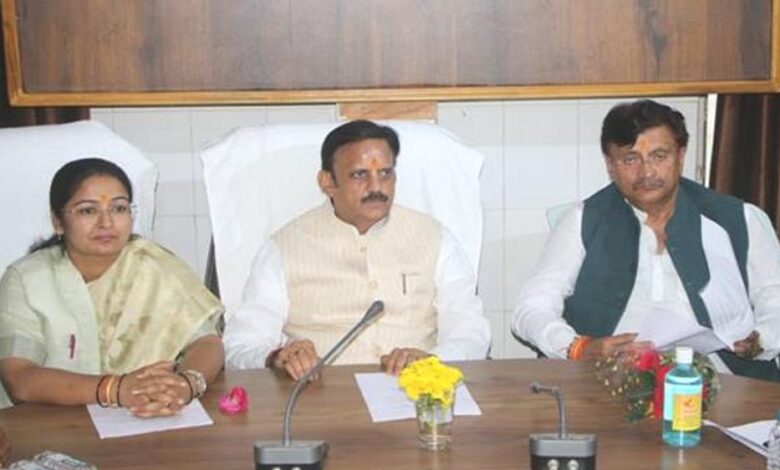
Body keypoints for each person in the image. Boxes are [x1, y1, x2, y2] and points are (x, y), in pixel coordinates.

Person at [512, 99, 780, 381]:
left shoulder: (738, 219)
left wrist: (761, 340)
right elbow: (531, 309)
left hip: (722, 383)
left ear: (681, 156)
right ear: (610, 165)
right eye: (630, 159)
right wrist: (578, 347)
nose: (647, 172)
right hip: (611, 383)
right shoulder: (583, 220)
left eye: (659, 156)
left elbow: (775, 299)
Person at [224, 120, 490, 379]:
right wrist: (277, 357)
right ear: (327, 182)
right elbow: (241, 344)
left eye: (385, 173)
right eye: (359, 175)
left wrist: (433, 361)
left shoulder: (435, 238)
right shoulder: (284, 247)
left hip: (416, 393)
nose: (376, 187)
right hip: (321, 396)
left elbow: (470, 332)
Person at [0, 158, 225, 414]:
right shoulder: (26, 280)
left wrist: (185, 385)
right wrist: (115, 390)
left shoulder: (155, 266)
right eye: (88, 211)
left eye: (118, 208)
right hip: (44, 424)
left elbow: (207, 343)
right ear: (58, 221)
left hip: (146, 419)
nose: (106, 223)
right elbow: (20, 379)